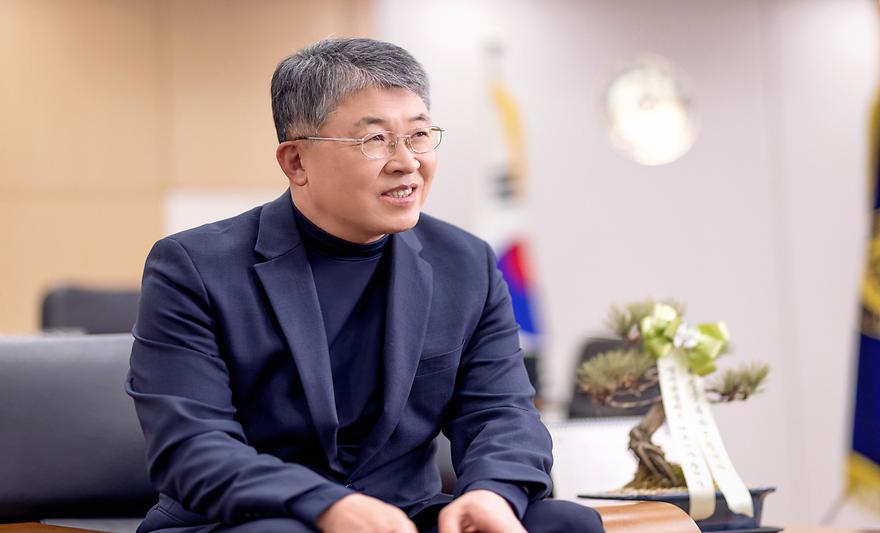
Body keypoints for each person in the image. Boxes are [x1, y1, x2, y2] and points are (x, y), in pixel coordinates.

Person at [126, 37, 604, 533]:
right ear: (295, 162)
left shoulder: (465, 263)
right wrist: (327, 506)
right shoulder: (194, 267)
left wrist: (493, 492)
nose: (407, 162)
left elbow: (501, 413)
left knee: (564, 523)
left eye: (419, 135)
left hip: (403, 515)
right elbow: (192, 447)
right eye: (375, 140)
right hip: (252, 519)